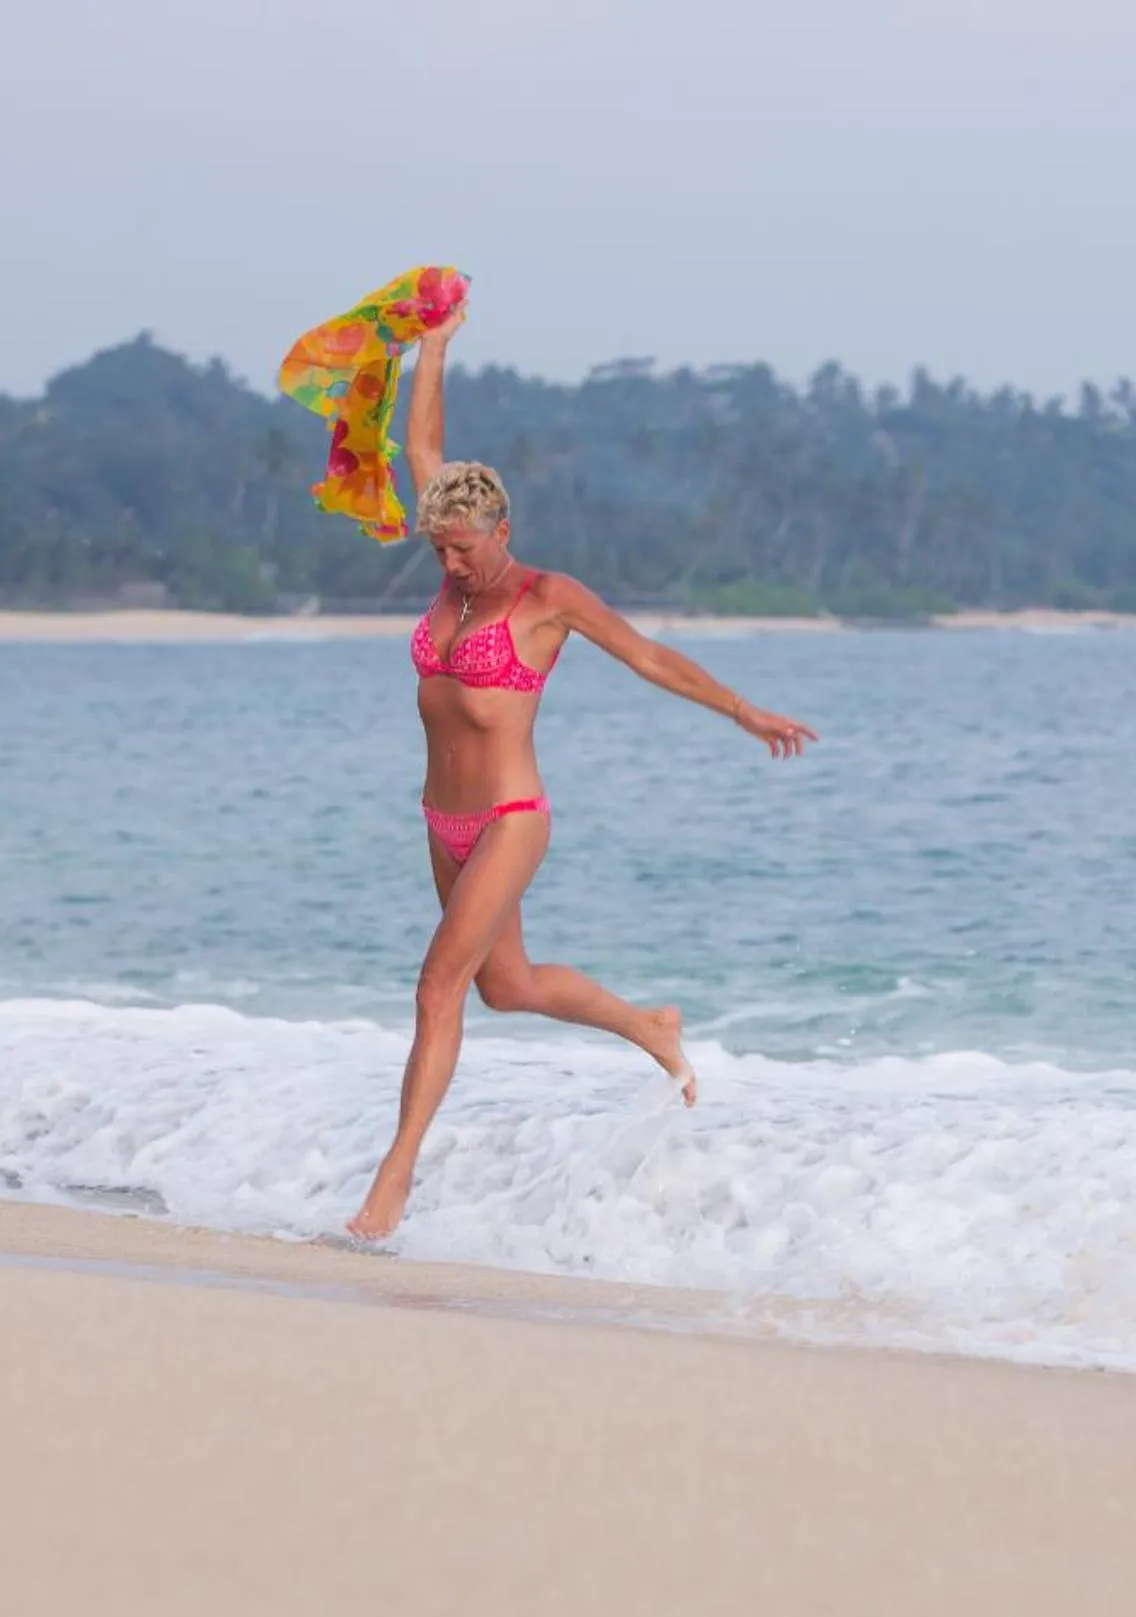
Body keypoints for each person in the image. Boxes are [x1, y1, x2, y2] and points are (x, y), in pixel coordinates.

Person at [345, 302, 818, 1242]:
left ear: (502, 528)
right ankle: (650, 1024)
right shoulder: (450, 565)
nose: (450, 561)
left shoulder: (545, 599)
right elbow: (424, 445)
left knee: (437, 986)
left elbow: (649, 658)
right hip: (442, 822)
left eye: (465, 547)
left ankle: (388, 1188)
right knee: (503, 985)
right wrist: (433, 348)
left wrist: (741, 709)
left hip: (511, 819)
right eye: (440, 547)